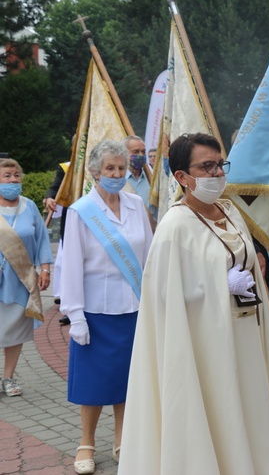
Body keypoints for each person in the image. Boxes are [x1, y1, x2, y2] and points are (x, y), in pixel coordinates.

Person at [118, 133, 269, 474]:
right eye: (206, 166)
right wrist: (218, 285)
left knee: (252, 402)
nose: (218, 173)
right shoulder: (174, 227)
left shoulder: (230, 210)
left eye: (220, 164)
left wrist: (252, 272)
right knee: (220, 406)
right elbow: (166, 301)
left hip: (247, 332)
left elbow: (244, 260)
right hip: (205, 345)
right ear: (182, 177)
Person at [59, 139, 153, 475]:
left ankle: (123, 439)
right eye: (109, 168)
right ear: (95, 171)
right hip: (97, 311)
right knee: (94, 382)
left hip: (134, 308)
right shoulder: (81, 211)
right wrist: (75, 315)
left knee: (128, 379)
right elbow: (70, 264)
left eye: (121, 167)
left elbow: (149, 255)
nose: (116, 173)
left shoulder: (135, 204)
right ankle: (86, 442)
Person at [0, 158, 52, 397]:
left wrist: (44, 269)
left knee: (14, 330)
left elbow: (42, 238)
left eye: (16, 175)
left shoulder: (29, 206)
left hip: (21, 280)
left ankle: (8, 377)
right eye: (7, 176)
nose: (13, 180)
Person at [43, 162, 70, 325]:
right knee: (68, 265)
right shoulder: (67, 167)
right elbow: (55, 187)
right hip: (72, 220)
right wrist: (50, 197)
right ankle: (69, 308)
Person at [123, 135, 150, 206]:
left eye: (143, 152)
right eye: (136, 152)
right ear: (125, 154)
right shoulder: (118, 178)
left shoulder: (151, 177)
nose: (140, 155)